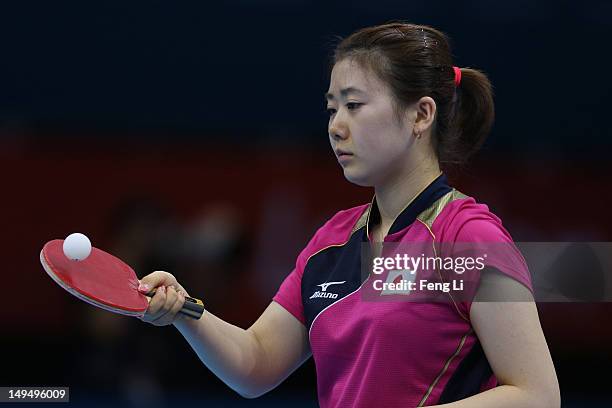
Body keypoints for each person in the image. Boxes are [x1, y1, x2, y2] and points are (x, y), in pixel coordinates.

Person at [138, 22, 560, 407]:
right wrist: (185, 312)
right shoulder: (332, 242)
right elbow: (256, 363)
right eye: (331, 108)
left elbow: (537, 395)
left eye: (354, 105)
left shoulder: (465, 238)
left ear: (421, 114)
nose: (336, 126)